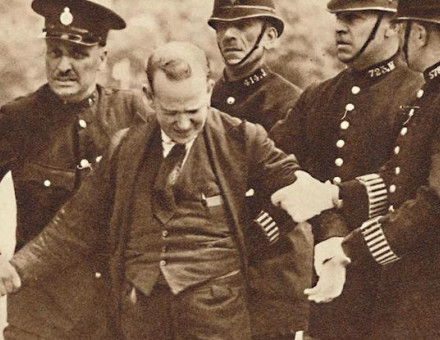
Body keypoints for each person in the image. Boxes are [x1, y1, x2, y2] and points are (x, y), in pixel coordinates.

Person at [0, 41, 335, 340]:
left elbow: (295, 180)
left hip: (217, 319)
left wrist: (303, 195)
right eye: (170, 112)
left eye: (193, 111)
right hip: (140, 316)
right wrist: (20, 267)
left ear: (208, 90)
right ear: (149, 96)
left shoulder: (243, 139)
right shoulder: (125, 147)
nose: (183, 124)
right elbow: (76, 223)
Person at [282, 0, 440, 338]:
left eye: (403, 26)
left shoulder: (427, 94)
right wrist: (334, 196)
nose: (340, 27)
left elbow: (433, 202)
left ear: (418, 32)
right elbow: (398, 178)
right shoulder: (429, 94)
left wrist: (351, 249)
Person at [0, 0, 146, 339]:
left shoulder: (131, 113)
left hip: (113, 317)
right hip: (40, 317)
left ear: (102, 58)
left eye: (78, 54)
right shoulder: (18, 119)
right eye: (55, 51)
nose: (63, 65)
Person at [208, 1, 310, 339]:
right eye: (222, 26)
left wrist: (240, 245)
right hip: (213, 272)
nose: (230, 35)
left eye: (243, 25)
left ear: (269, 35)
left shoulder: (289, 102)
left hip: (271, 268)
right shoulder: (207, 96)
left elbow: (291, 199)